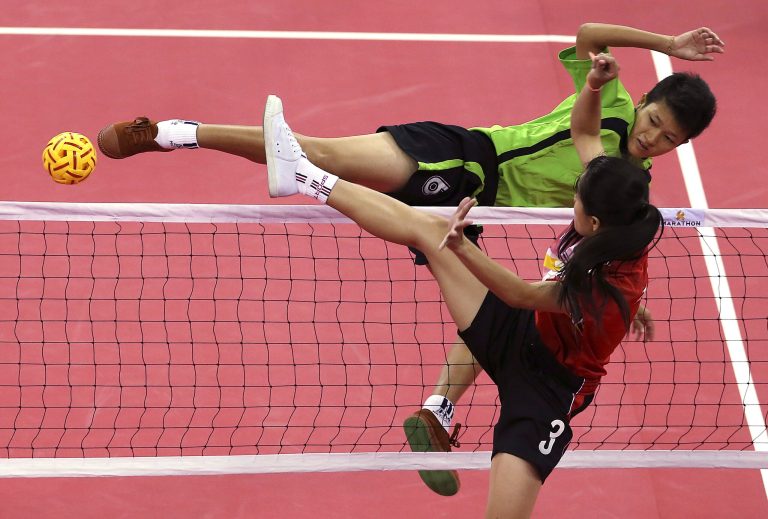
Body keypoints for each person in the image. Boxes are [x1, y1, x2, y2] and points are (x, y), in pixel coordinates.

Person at [96, 22, 723, 496]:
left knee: (505, 315)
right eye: (655, 121)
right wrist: (663, 40)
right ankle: (175, 133)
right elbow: (588, 45)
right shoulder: (612, 117)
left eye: (671, 138)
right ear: (645, 102)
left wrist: (617, 302)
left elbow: (606, 249)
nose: (654, 138)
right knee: (318, 152)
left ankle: (439, 407)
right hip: (466, 161)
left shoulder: (627, 183)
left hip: (477, 205)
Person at [257, 44, 662, 515]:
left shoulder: (604, 291)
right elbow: (585, 129)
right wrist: (594, 86)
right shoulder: (617, 207)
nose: (572, 199)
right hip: (523, 331)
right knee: (428, 228)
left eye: (576, 201)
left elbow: (521, 293)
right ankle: (303, 175)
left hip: (548, 390)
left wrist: (462, 244)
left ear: (594, 225)